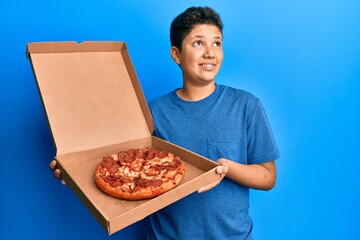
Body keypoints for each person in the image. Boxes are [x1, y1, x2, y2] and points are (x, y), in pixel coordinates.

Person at [50, 6, 280, 239]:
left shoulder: (246, 105)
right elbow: (119, 164)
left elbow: (268, 176)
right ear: (176, 54)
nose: (210, 52)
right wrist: (74, 170)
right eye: (198, 43)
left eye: (217, 43)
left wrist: (228, 168)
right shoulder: (154, 112)